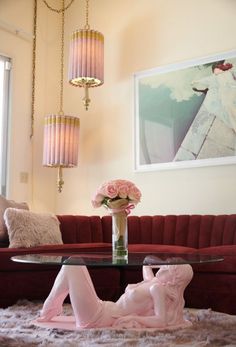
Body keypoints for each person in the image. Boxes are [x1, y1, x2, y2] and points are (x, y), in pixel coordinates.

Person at [37, 262, 193, 329]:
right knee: (73, 264)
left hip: (99, 318)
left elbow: (161, 321)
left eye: (169, 267)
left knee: (71, 267)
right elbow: (147, 263)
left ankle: (49, 309)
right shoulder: (153, 282)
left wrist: (134, 318)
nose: (164, 267)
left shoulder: (157, 289)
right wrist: (158, 262)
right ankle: (51, 308)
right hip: (103, 306)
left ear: (174, 278)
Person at [192, 61, 236, 132]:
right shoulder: (215, 77)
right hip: (227, 95)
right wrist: (196, 82)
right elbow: (205, 80)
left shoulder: (228, 72)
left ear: (220, 68)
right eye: (214, 71)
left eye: (216, 70)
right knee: (229, 108)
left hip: (231, 91)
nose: (215, 72)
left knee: (230, 107)